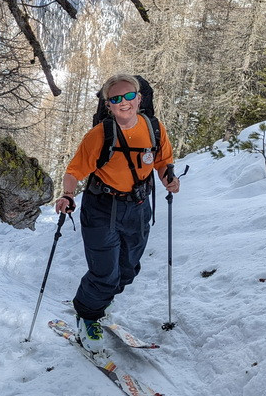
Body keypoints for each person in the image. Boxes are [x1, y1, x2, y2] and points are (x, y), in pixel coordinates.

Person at [54, 74, 180, 354]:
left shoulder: (155, 128)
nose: (123, 103)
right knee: (104, 273)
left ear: (139, 98)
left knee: (128, 268)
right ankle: (87, 316)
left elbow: (162, 161)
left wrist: (168, 178)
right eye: (115, 99)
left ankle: (100, 301)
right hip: (102, 209)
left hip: (138, 207)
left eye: (128, 96)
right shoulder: (100, 134)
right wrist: (68, 194)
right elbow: (74, 170)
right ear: (108, 105)